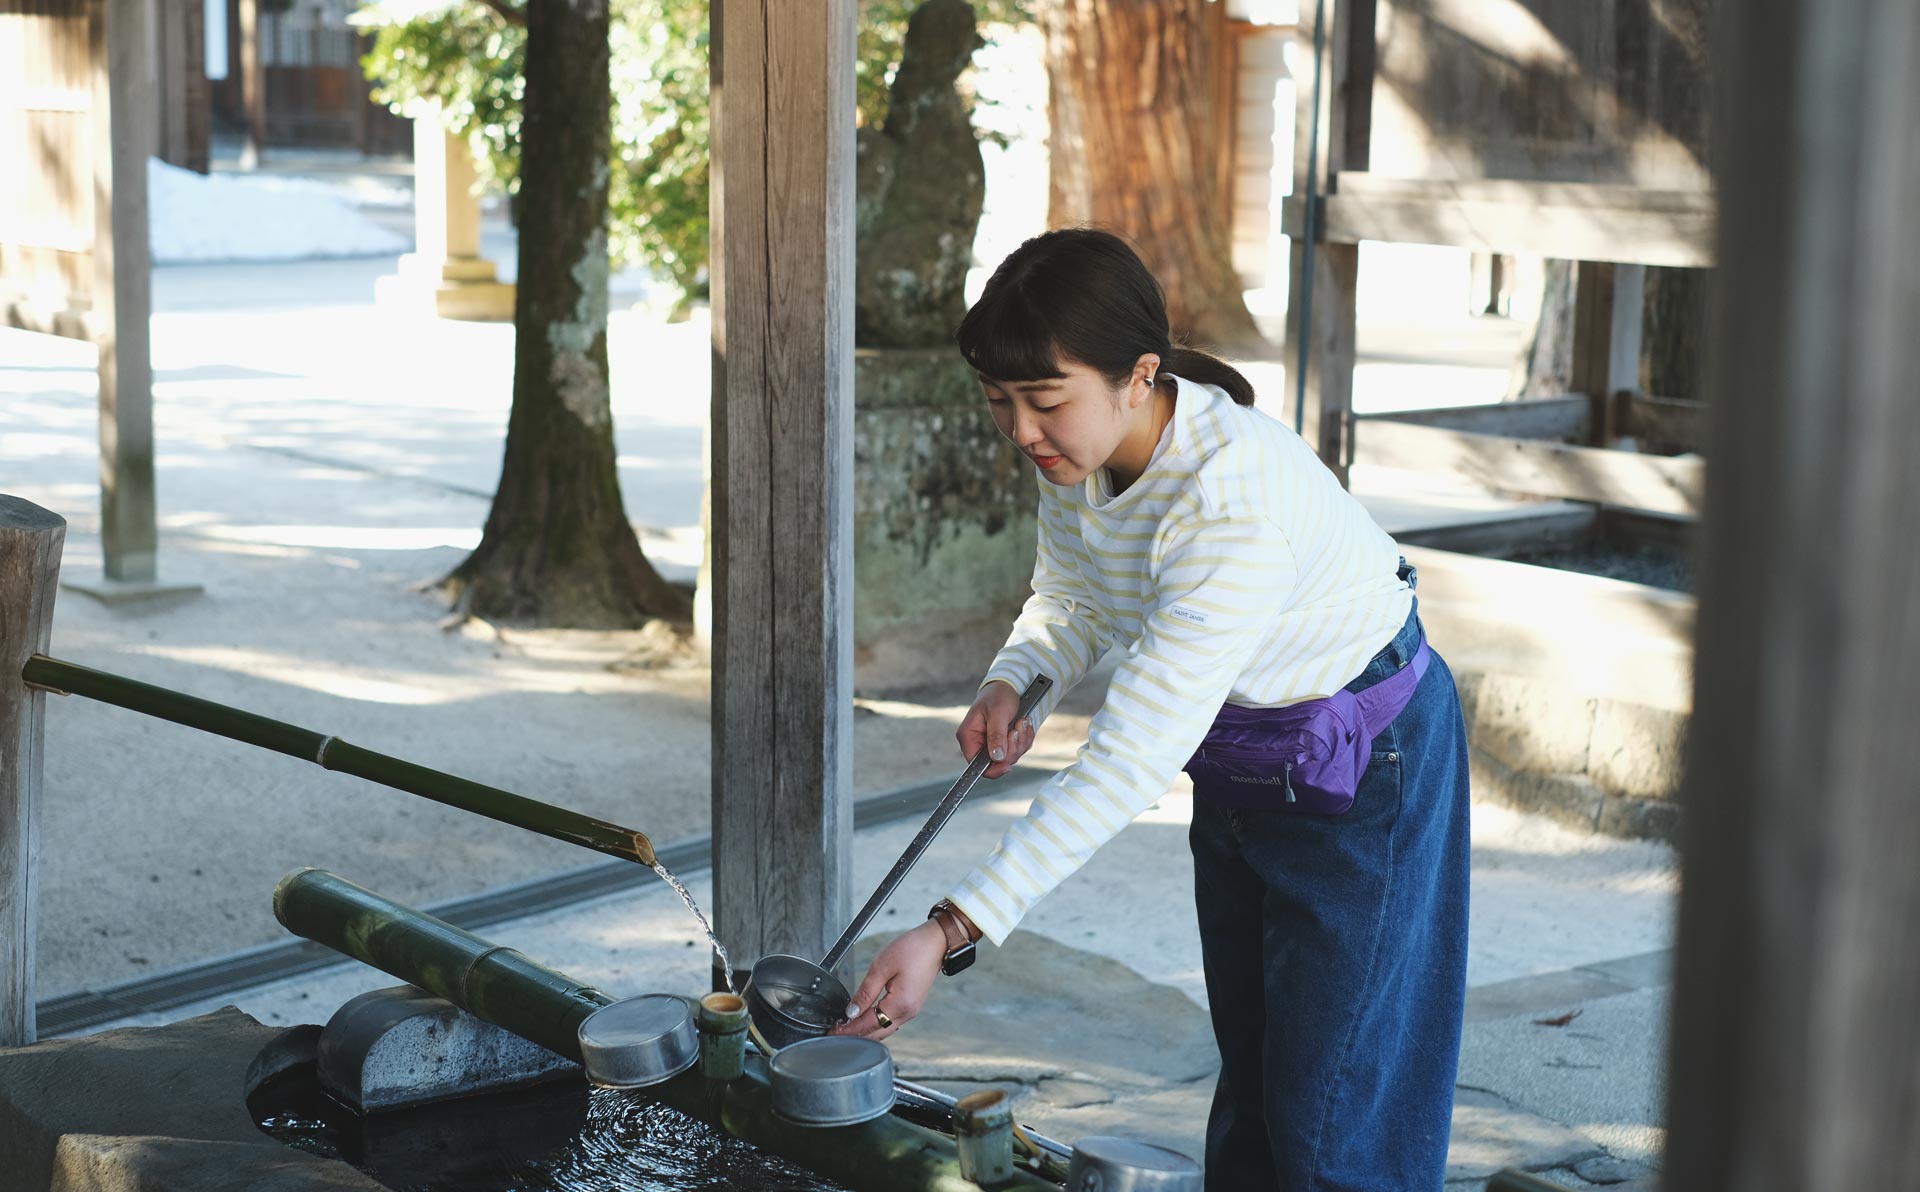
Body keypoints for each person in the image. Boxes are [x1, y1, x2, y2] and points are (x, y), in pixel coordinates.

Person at [832, 227, 1470, 1191]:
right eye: (1000, 402)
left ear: (1138, 375)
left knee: (1336, 1109)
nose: (1021, 432)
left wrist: (952, 927)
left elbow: (1126, 762)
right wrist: (1018, 677)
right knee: (1257, 1081)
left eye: (1044, 402)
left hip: (1363, 771)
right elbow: (1077, 594)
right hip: (1247, 759)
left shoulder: (1226, 506)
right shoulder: (1084, 460)